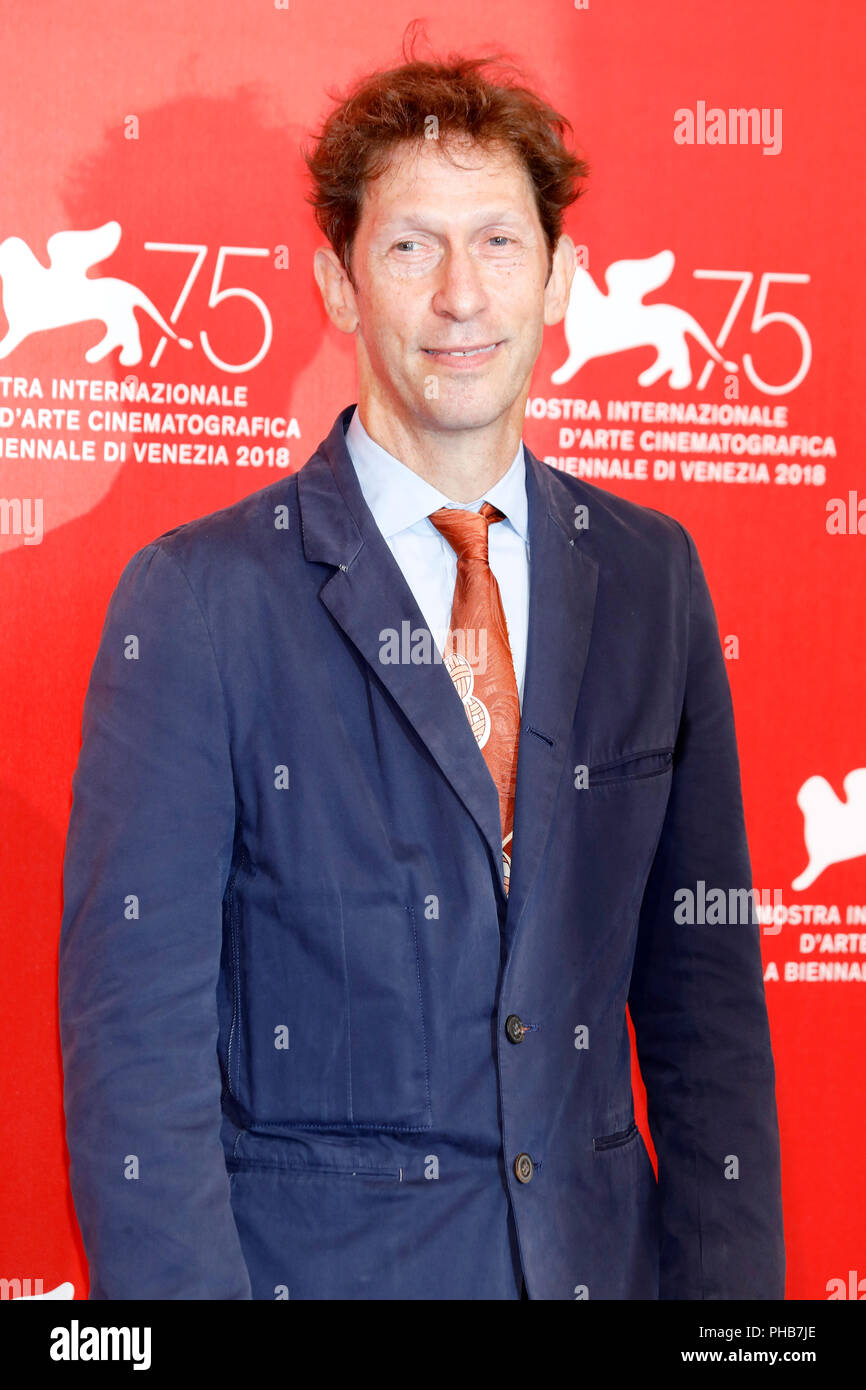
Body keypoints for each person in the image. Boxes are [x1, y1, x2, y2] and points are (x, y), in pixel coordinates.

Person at [59, 42, 785, 1300]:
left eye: (498, 243)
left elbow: (703, 1005)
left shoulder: (648, 574)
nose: (461, 297)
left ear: (559, 280)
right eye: (410, 247)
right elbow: (138, 1052)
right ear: (338, 287)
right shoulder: (198, 599)